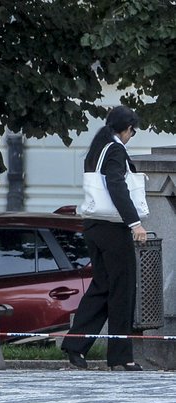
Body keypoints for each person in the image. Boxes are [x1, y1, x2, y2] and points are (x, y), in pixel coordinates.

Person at [62, 106, 147, 371]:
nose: (132, 136)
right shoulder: (116, 149)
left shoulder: (97, 148)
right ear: (128, 128)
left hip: (93, 226)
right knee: (123, 290)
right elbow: (116, 185)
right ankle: (121, 357)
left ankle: (75, 346)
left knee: (102, 287)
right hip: (113, 228)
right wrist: (135, 223)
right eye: (133, 131)